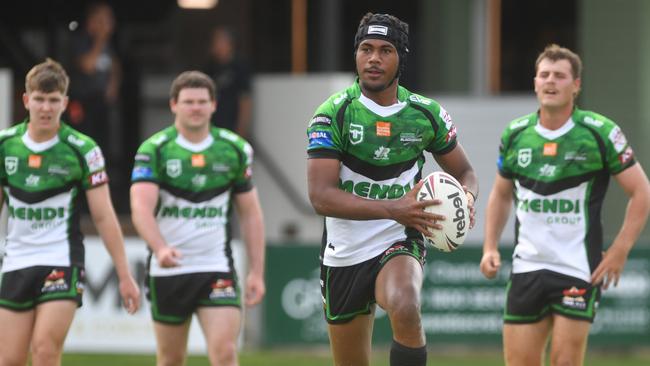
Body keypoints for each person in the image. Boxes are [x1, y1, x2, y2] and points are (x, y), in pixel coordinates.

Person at [306, 13, 478, 366]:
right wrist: (392, 207)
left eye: (385, 50)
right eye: (366, 49)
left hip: (399, 236)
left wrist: (466, 198)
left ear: (401, 57)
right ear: (355, 54)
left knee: (405, 303)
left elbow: (465, 172)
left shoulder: (425, 115)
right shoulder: (334, 114)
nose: (373, 58)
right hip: (344, 251)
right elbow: (320, 197)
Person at [479, 44, 650, 366]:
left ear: (576, 86)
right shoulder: (516, 134)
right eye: (544, 75)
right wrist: (490, 247)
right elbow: (501, 194)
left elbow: (641, 192)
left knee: (565, 363)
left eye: (560, 75)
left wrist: (620, 250)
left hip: (576, 268)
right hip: (527, 267)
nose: (551, 81)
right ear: (535, 83)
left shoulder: (600, 132)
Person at [0, 58, 140, 366]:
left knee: (45, 350)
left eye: (53, 100)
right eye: (39, 99)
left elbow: (103, 216)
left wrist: (125, 275)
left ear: (65, 102)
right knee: (9, 359)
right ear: (26, 100)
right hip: (17, 262)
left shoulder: (82, 149)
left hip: (61, 260)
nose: (46, 108)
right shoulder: (6, 146)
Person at [130, 70, 265, 366]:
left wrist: (256, 270)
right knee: (171, 359)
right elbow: (140, 210)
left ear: (214, 105)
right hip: (169, 270)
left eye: (202, 101)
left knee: (225, 353)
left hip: (215, 266)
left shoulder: (234, 149)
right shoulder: (154, 150)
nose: (195, 108)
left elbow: (251, 214)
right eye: (188, 101)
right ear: (173, 105)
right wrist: (161, 248)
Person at [67, 1, 121, 154]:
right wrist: (100, 38)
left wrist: (113, 85)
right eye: (103, 20)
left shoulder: (109, 45)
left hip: (101, 101)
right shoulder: (81, 39)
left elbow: (115, 66)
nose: (108, 24)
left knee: (103, 142)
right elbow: (87, 66)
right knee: (82, 140)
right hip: (82, 101)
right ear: (92, 21)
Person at [202, 26, 253, 139]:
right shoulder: (210, 67)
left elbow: (245, 99)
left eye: (217, 40)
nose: (214, 45)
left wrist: (242, 128)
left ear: (228, 43)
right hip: (212, 125)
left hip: (231, 124)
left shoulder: (239, 66)